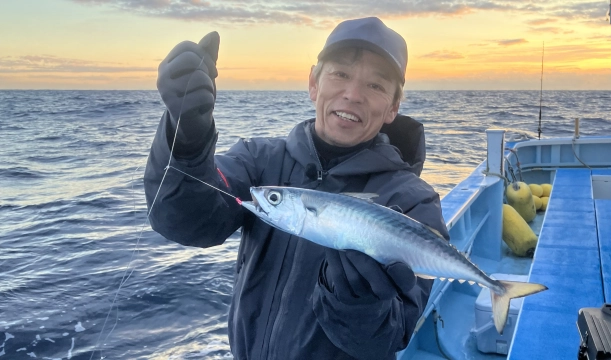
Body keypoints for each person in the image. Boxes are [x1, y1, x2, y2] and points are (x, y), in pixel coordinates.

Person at [145, 17, 449, 360]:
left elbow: (390, 338)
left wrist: (358, 304)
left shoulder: (414, 200)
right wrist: (186, 140)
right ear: (313, 83)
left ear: (394, 107)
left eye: (376, 86)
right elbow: (187, 223)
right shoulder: (258, 160)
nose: (353, 95)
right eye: (340, 74)